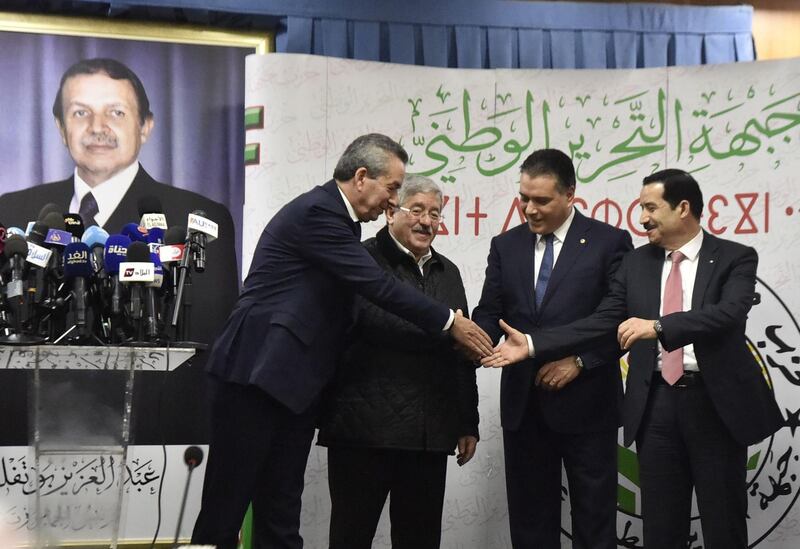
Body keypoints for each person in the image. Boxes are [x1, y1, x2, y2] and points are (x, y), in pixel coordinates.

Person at [191, 134, 492, 549]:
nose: (392, 202)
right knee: (226, 510)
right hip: (254, 372)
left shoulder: (343, 223)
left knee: (280, 511)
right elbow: (376, 287)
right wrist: (448, 322)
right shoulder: (319, 213)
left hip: (292, 385)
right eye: (392, 190)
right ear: (363, 177)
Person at [484, 169, 783, 549]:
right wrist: (531, 344)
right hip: (654, 406)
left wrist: (657, 327)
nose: (641, 218)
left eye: (650, 208)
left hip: (715, 404)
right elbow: (604, 319)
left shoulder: (734, 257)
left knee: (723, 525)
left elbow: (728, 314)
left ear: (684, 208)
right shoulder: (636, 262)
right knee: (660, 528)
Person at [0, 57, 239, 444]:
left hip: (150, 429)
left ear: (146, 126)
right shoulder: (11, 211)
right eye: (81, 113)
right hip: (29, 426)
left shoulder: (196, 217)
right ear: (61, 128)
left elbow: (212, 340)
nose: (98, 128)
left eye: (116, 112)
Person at [471, 149, 632, 548]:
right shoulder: (505, 245)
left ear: (570, 194)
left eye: (541, 200)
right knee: (530, 522)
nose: (529, 209)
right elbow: (491, 312)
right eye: (523, 198)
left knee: (595, 521)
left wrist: (580, 361)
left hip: (588, 403)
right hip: (524, 406)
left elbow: (619, 319)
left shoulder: (609, 242)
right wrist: (468, 336)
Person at [317, 175, 480, 549]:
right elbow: (373, 320)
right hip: (363, 431)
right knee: (350, 536)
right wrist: (447, 327)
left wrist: (466, 420)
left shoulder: (448, 271)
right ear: (391, 212)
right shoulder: (361, 258)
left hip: (429, 434)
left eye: (435, 214)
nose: (426, 222)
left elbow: (462, 351)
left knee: (420, 540)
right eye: (417, 210)